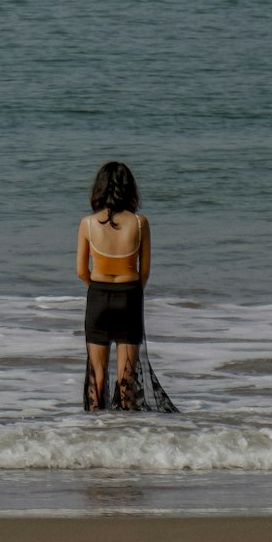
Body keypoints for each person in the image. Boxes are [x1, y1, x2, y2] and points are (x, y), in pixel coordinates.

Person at [76, 159, 175, 412]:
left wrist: (98, 289)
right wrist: (130, 294)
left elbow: (80, 272)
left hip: (98, 297)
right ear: (130, 189)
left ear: (99, 189)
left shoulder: (87, 223)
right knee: (126, 378)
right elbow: (145, 273)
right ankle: (127, 433)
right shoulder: (140, 223)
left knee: (96, 376)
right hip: (129, 296)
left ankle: (94, 431)